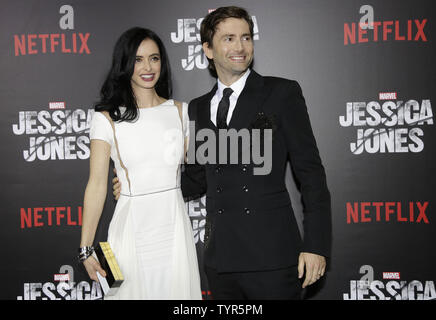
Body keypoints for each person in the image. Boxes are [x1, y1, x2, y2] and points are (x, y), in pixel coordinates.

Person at [114, 6, 332, 300]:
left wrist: (316, 245)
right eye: (228, 38)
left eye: (246, 37)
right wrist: (140, 182)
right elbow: (195, 180)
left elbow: (311, 175)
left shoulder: (281, 93)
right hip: (221, 263)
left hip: (273, 260)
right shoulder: (197, 109)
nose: (240, 46)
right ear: (208, 49)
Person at [79, 27, 202, 300]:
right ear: (125, 64)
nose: (148, 67)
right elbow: (97, 184)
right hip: (129, 229)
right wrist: (86, 249)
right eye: (138, 59)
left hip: (174, 228)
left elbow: (199, 174)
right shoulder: (106, 118)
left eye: (154, 58)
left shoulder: (181, 112)